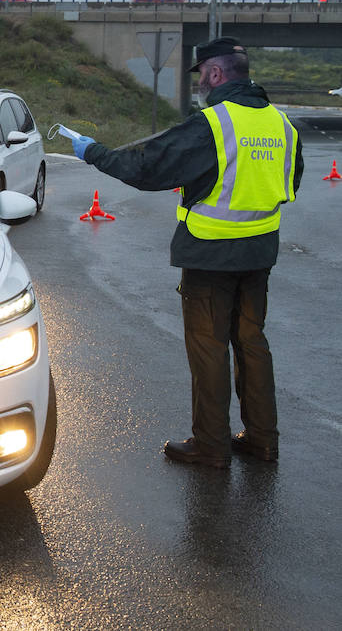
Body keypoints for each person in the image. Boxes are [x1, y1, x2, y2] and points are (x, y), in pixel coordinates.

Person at [70, 37, 302, 468]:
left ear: (215, 74)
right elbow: (291, 183)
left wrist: (93, 153)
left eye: (202, 77)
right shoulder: (282, 125)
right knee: (252, 343)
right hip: (259, 255)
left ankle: (211, 445)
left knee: (209, 348)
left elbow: (146, 166)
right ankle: (262, 439)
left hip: (210, 256)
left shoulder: (213, 124)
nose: (201, 86)